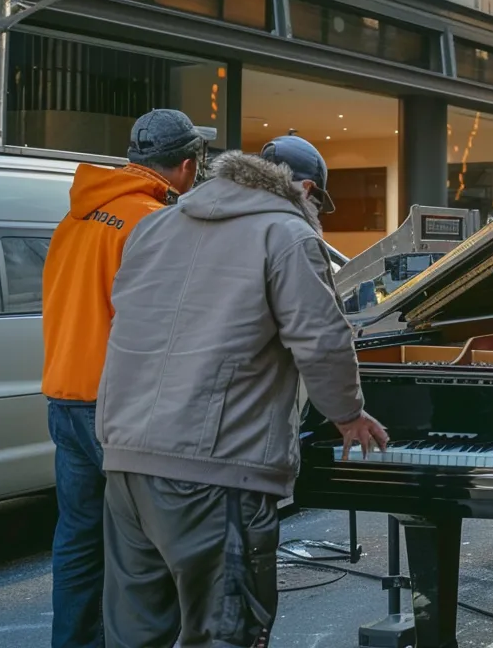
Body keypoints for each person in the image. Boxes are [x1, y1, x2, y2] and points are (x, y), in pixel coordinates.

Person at [95, 136, 389, 647]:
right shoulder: (287, 234)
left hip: (126, 465)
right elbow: (321, 339)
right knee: (224, 634)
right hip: (215, 471)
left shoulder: (155, 226)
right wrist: (348, 414)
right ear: (308, 189)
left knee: (136, 637)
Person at [41, 108, 210, 648]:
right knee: (141, 552)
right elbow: (169, 322)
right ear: (186, 166)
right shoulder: (152, 222)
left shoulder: (75, 218)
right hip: (118, 406)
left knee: (77, 542)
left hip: (64, 399)